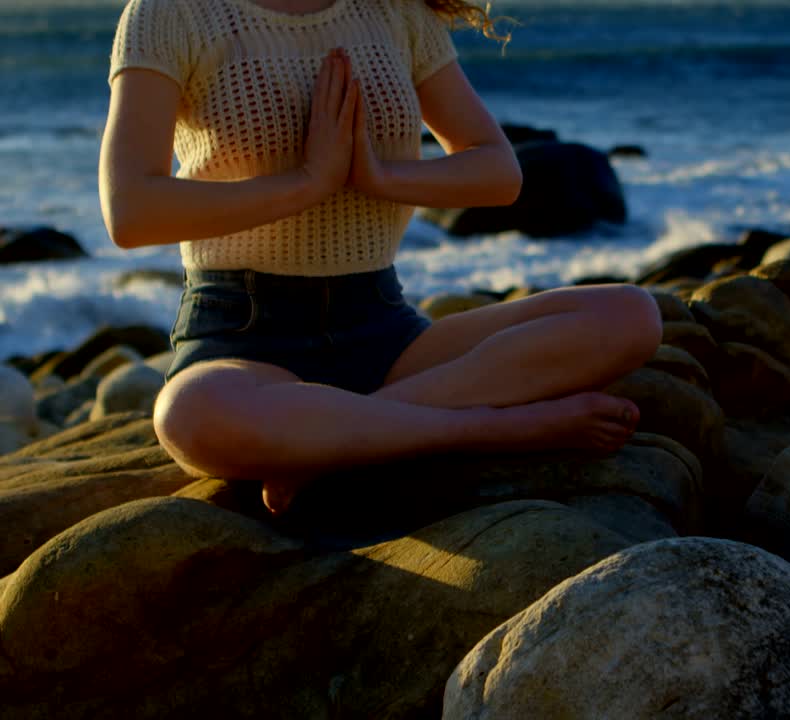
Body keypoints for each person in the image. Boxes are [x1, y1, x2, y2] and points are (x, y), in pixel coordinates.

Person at [100, 0, 662, 515]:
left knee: (630, 315)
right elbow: (131, 209)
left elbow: (498, 170)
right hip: (244, 335)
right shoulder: (170, 12)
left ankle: (330, 446)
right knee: (191, 416)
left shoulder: (396, 11)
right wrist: (306, 184)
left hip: (382, 329)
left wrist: (383, 176)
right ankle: (497, 428)